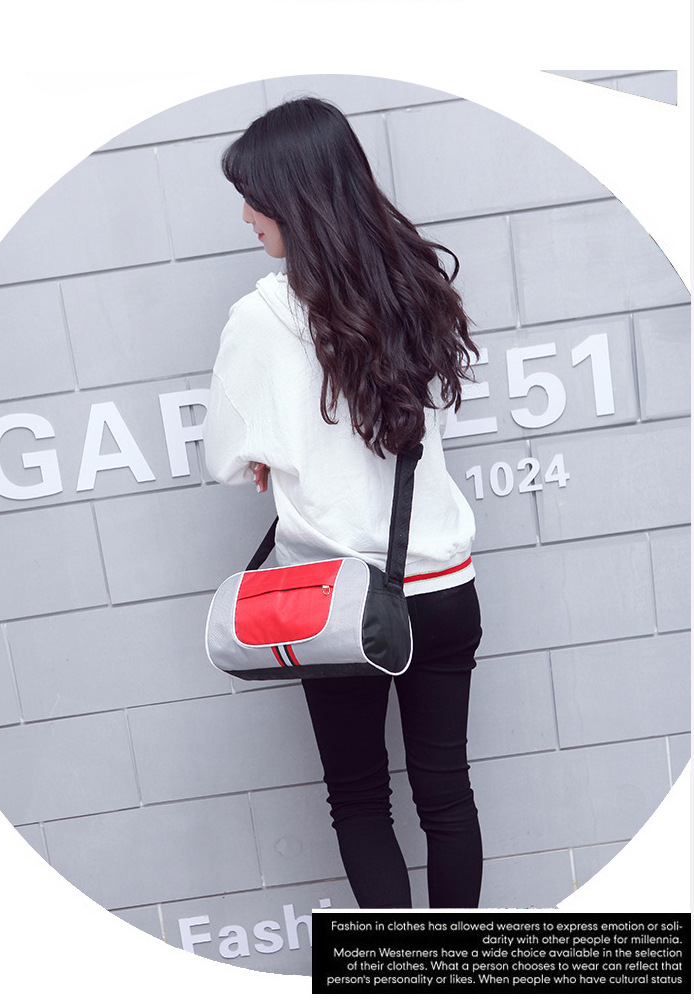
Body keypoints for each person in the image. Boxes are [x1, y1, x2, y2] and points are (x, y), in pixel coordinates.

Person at [203, 97, 483, 909]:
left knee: (360, 801)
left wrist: (271, 454)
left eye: (253, 196)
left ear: (293, 196)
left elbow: (225, 457)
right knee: (447, 795)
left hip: (337, 602)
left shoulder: (261, 316)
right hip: (443, 587)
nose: (247, 216)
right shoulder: (415, 285)